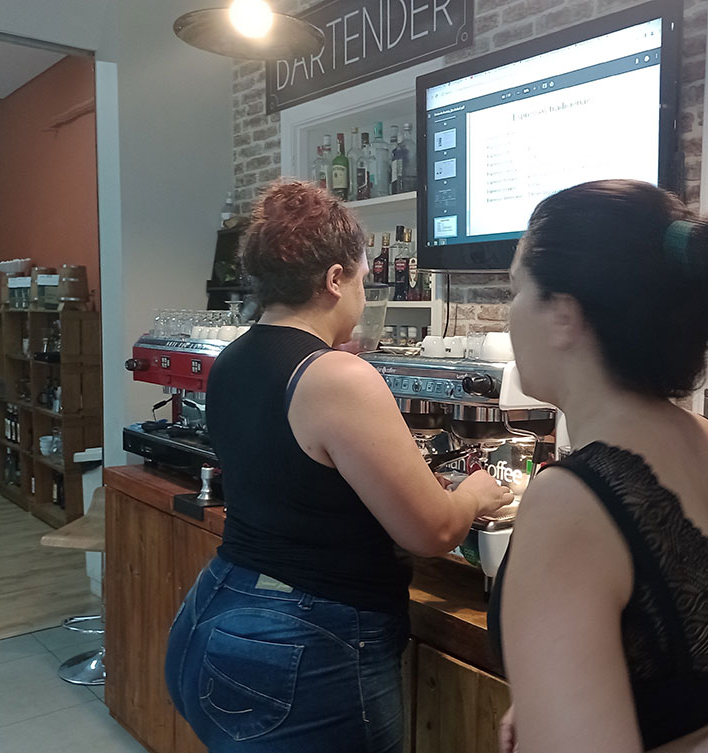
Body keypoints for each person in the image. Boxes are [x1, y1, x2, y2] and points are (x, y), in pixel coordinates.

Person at [164, 180, 512, 753]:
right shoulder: (336, 376)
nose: (364, 296)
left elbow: (295, 479)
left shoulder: (232, 358)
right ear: (333, 279)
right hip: (299, 641)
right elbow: (432, 532)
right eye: (363, 279)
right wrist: (474, 492)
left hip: (218, 608)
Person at [489, 180, 708, 753]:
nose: (508, 312)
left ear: (564, 315)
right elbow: (683, 681)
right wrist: (556, 688)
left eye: (516, 289)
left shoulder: (570, 501)